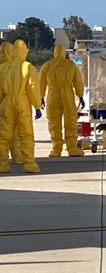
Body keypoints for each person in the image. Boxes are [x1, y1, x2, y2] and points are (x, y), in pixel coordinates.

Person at [0, 40, 43, 174]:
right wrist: (37, 106)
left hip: (7, 102)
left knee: (3, 135)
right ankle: (29, 164)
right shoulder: (27, 66)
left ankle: (2, 164)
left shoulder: (3, 67)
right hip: (22, 102)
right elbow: (33, 87)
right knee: (26, 134)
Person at [39, 44, 86, 157]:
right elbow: (78, 81)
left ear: (54, 53)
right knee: (70, 121)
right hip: (67, 94)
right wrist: (80, 95)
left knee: (53, 122)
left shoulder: (47, 65)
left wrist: (40, 97)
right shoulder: (70, 65)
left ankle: (56, 149)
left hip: (52, 95)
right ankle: (72, 148)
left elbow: (40, 82)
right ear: (64, 53)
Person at [0, 41, 22, 164]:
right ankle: (17, 157)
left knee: (2, 134)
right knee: (14, 132)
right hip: (14, 102)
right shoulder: (17, 66)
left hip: (3, 102)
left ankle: (2, 160)